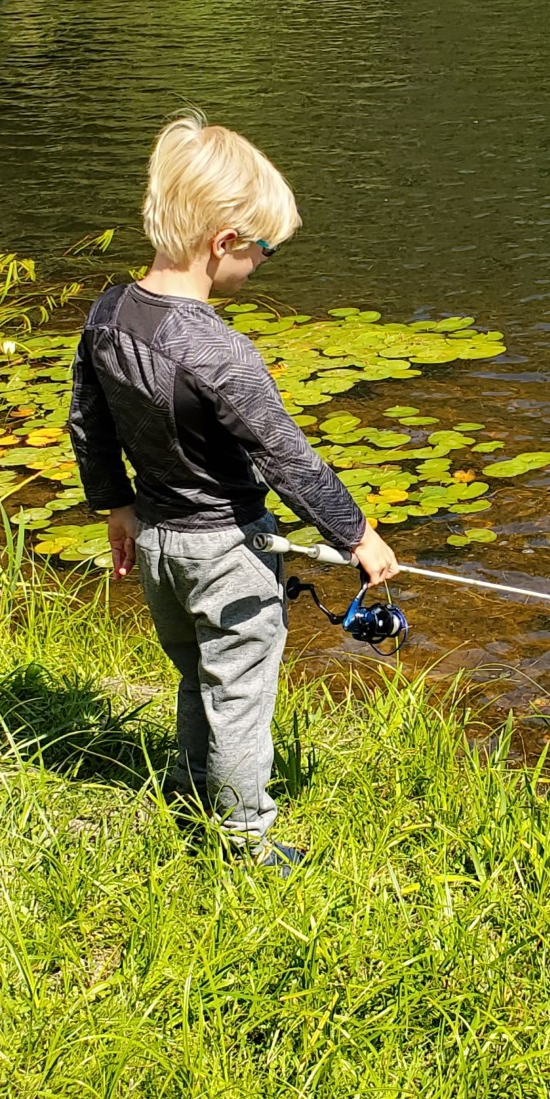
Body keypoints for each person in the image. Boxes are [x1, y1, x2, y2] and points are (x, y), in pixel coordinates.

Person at [69, 113, 398, 873]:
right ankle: (246, 838)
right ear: (223, 242)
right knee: (241, 695)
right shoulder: (220, 350)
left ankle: (190, 787)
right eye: (263, 251)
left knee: (198, 673)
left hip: (155, 541)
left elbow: (87, 419)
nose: (261, 267)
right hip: (226, 550)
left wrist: (115, 507)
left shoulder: (109, 311)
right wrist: (357, 536)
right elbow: (288, 458)